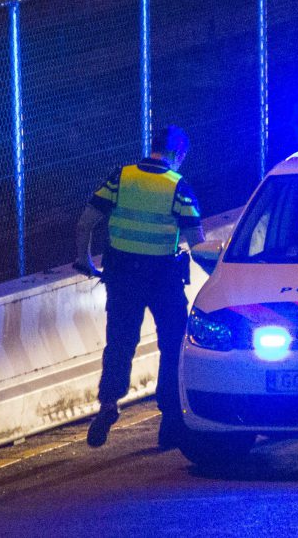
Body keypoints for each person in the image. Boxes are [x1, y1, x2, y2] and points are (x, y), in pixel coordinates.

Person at [74, 125, 204, 449]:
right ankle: (170, 419)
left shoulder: (122, 177)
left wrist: (85, 260)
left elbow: (85, 222)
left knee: (119, 343)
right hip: (163, 279)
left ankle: (108, 403)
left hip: (122, 276)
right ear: (178, 153)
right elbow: (198, 244)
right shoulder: (178, 187)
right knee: (173, 345)